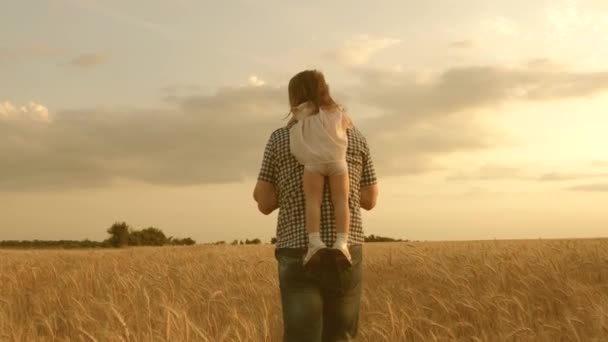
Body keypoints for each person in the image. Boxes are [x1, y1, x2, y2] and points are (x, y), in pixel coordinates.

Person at [253, 69, 378, 342]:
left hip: (298, 250)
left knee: (302, 337)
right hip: (346, 250)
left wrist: (291, 191)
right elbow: (370, 199)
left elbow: (263, 202)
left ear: (293, 101)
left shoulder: (280, 139)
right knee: (341, 337)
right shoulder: (355, 137)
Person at [287, 70, 354, 268]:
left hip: (313, 163)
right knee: (342, 200)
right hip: (338, 161)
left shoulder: (302, 111)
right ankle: (342, 242)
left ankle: (315, 242)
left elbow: (294, 119)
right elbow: (347, 125)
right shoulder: (337, 112)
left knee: (313, 202)